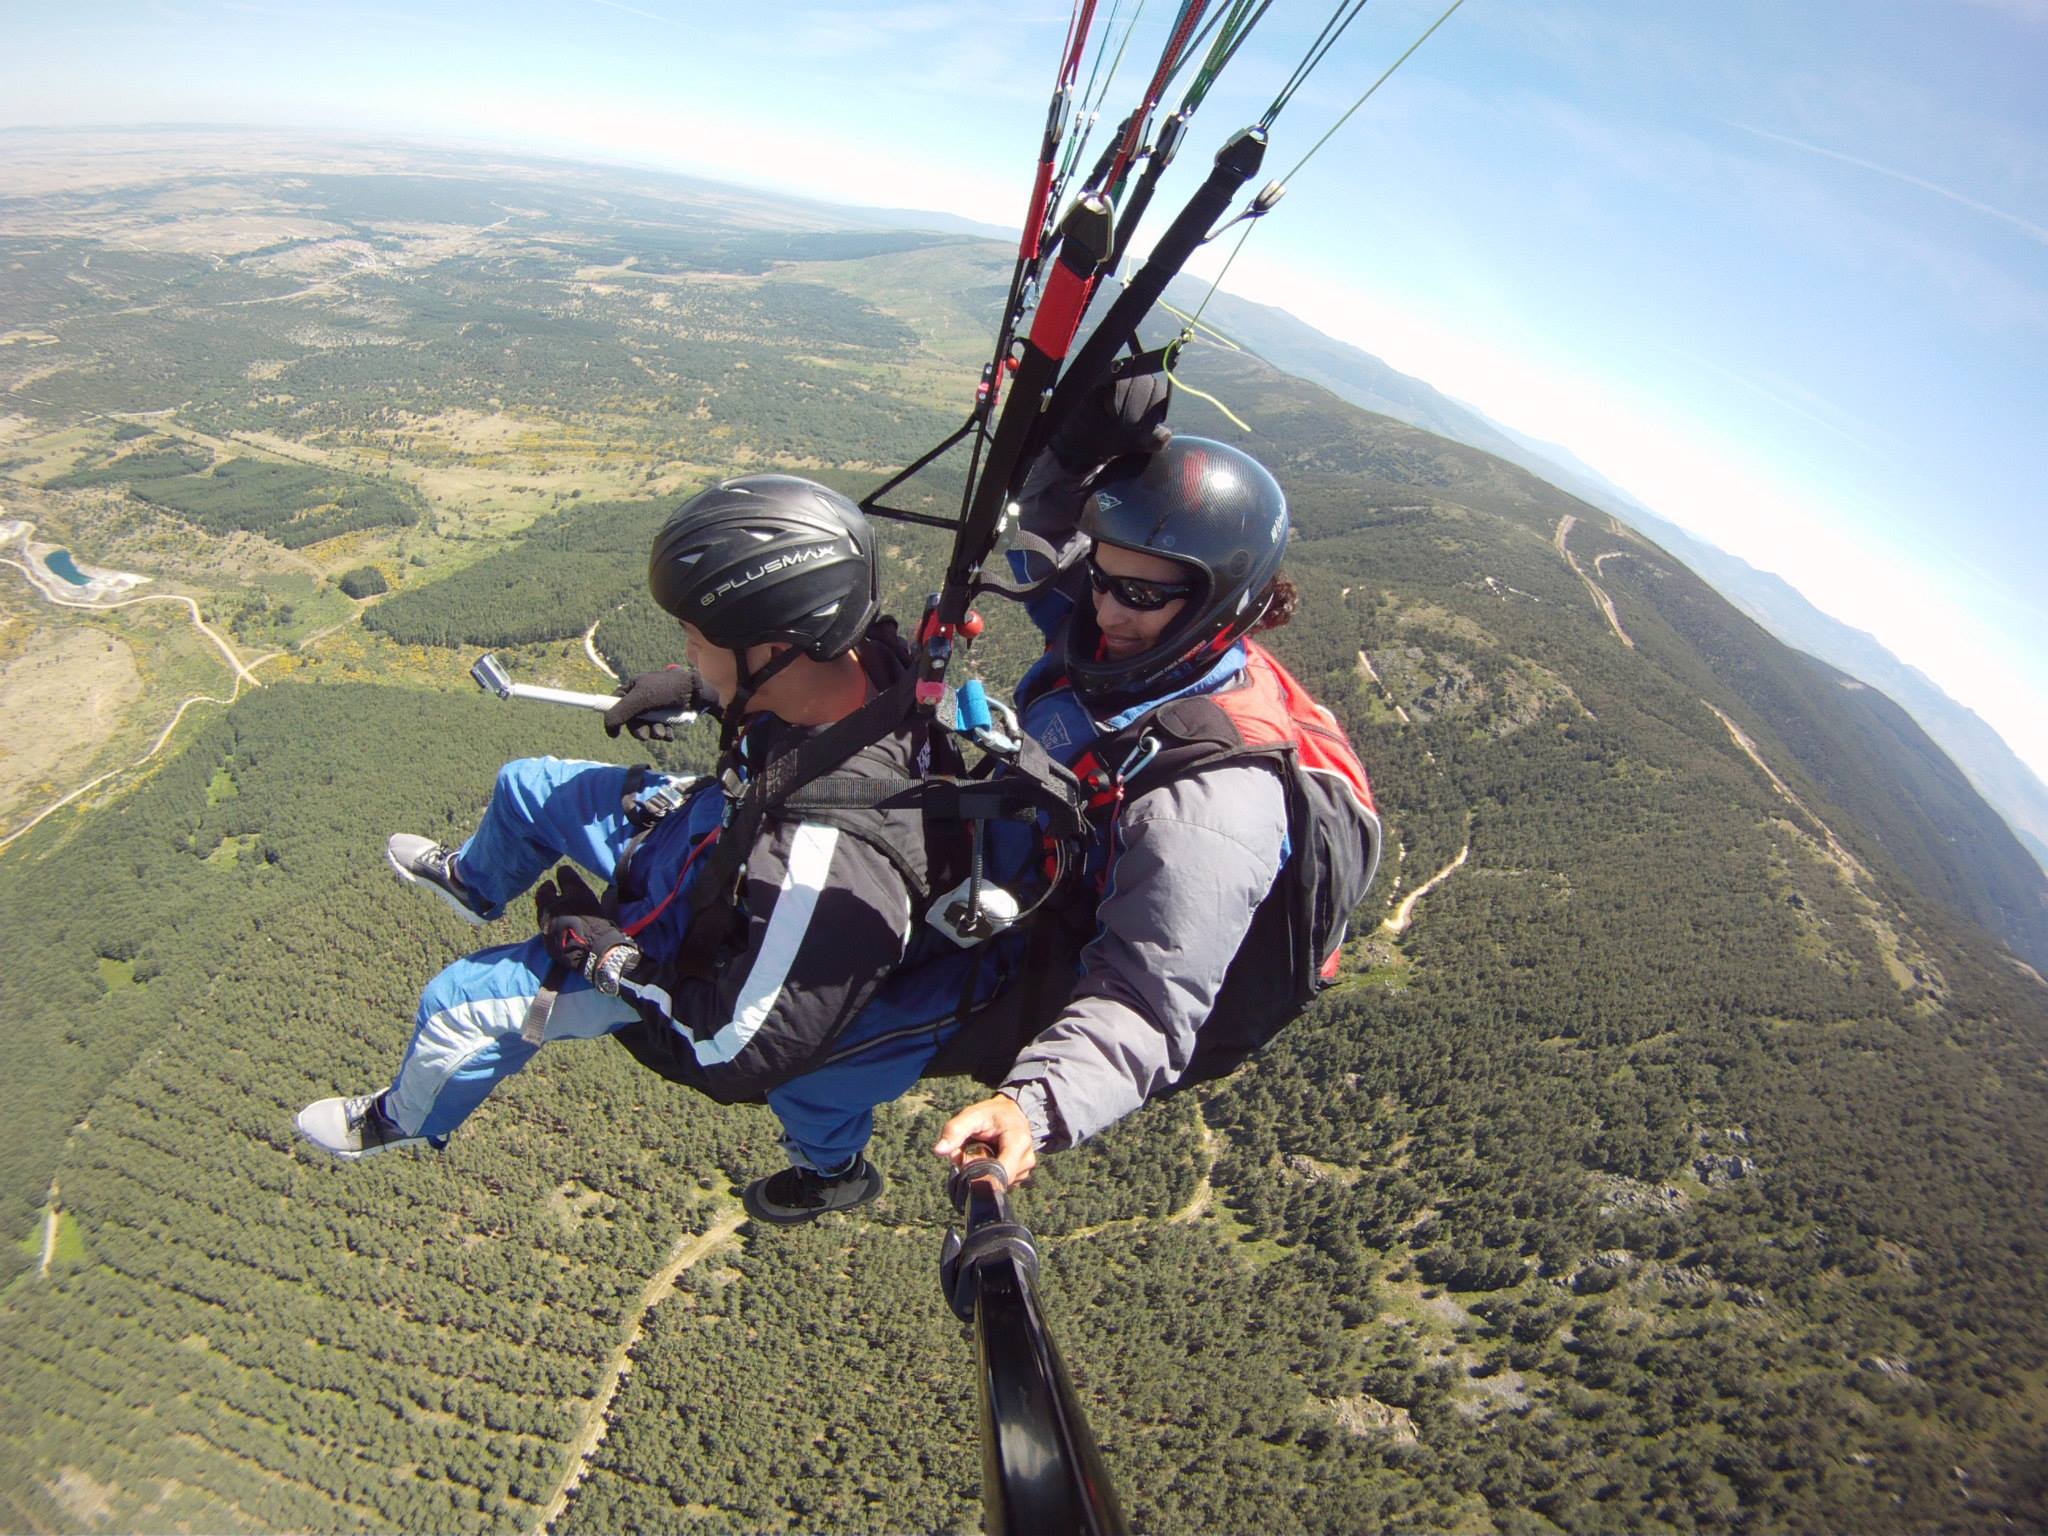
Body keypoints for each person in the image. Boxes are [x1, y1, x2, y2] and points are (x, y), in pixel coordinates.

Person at [752, 402, 1378, 1192]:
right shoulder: (1138, 637)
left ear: (1215, 605)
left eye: (1140, 596)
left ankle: (829, 1172)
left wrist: (1033, 1108)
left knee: (805, 1064)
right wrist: (1072, 444)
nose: (1108, 608)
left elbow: (1150, 1003)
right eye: (1105, 579)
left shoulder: (1210, 811)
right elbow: (1047, 546)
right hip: (1028, 851)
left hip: (1053, 949)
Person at [296, 473, 954, 1224]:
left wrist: (609, 958)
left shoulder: (829, 855)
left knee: (456, 1008)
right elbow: (798, 694)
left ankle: (398, 1121)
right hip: (710, 836)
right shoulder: (870, 663)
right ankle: (475, 884)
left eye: (697, 642)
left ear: (774, 647)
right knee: (526, 787)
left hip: (687, 950)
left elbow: (735, 1049)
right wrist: (704, 686)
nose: (686, 648)